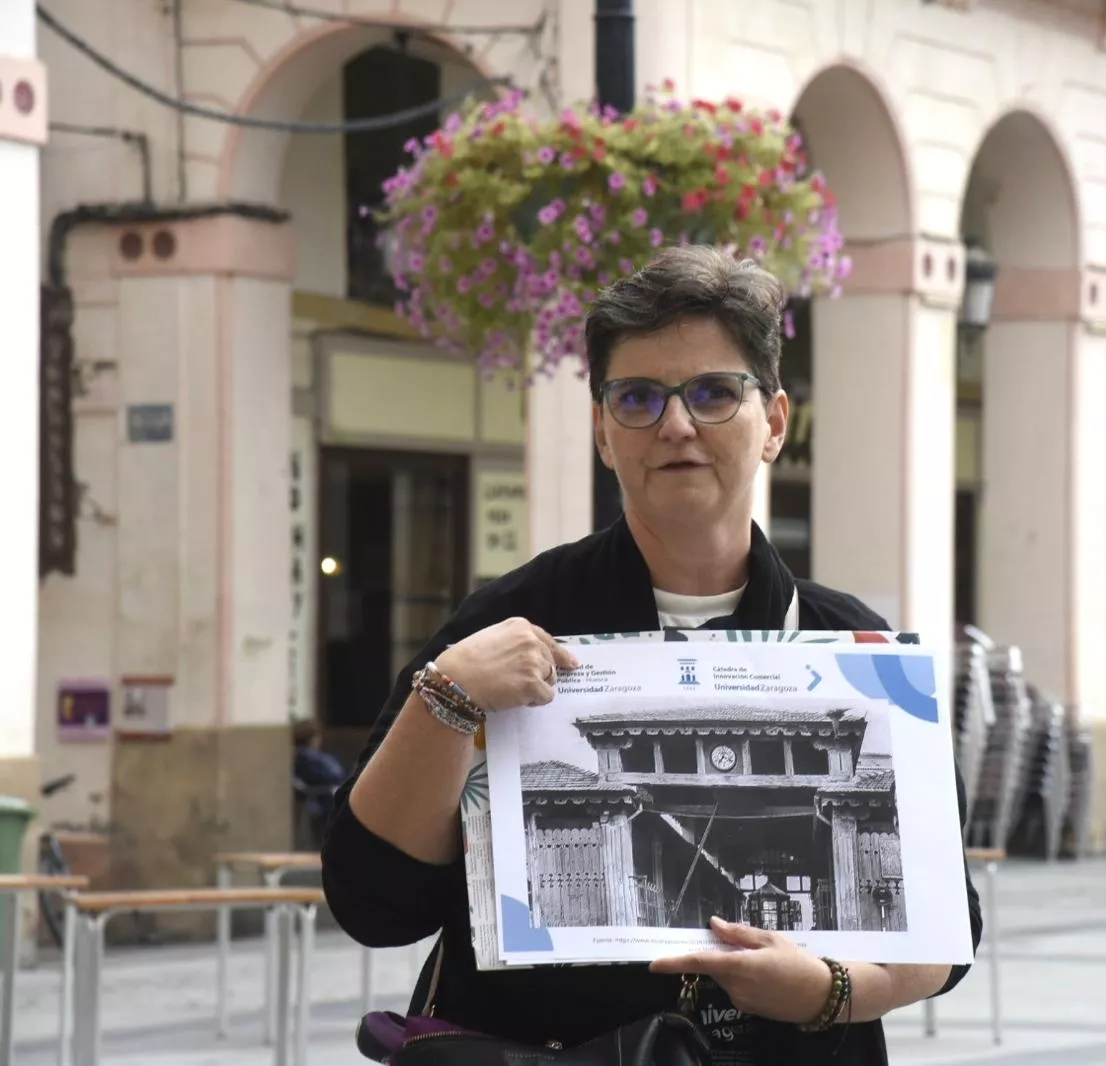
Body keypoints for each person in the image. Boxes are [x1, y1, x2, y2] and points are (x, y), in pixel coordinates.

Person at [321, 246, 983, 1064]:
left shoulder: (857, 652)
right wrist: (446, 698)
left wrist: (832, 992)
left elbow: (948, 926)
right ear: (603, 431)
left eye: (713, 392)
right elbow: (373, 905)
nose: (675, 425)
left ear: (774, 422)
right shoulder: (503, 626)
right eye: (637, 398)